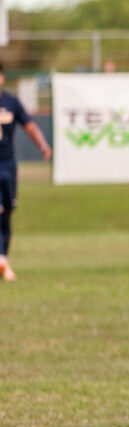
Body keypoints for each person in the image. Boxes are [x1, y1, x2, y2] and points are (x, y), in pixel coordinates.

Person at [0, 63, 54, 282]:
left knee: (7, 213)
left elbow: (29, 125)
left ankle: (3, 259)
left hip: (8, 166)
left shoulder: (11, 102)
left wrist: (42, 144)